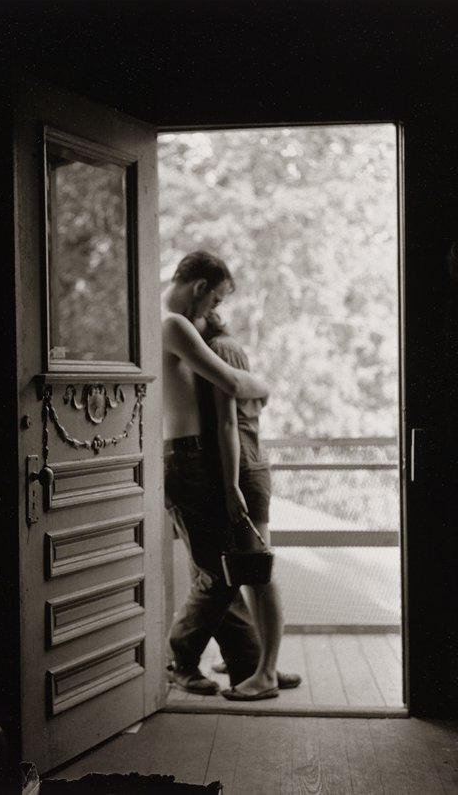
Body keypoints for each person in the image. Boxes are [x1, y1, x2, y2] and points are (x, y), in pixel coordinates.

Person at [162, 250, 301, 696]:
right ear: (201, 287)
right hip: (186, 455)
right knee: (217, 572)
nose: (215, 310)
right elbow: (234, 384)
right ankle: (180, 659)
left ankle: (248, 662)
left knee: (226, 566)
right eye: (217, 299)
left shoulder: (182, 326)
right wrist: (266, 387)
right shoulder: (172, 323)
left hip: (197, 454)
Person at [197, 309, 285, 700]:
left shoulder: (221, 348)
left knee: (259, 572)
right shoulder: (224, 347)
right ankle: (262, 661)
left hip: (246, 469)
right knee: (249, 572)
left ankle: (266, 672)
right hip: (249, 467)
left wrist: (231, 483)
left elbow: (229, 422)